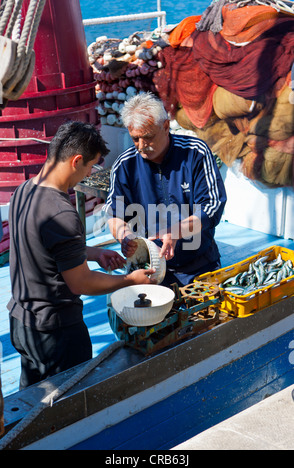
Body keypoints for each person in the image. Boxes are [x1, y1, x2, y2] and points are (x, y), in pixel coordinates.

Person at [7, 120, 155, 389]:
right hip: (55, 333)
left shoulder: (24, 191)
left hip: (22, 322)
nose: (88, 174)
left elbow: (41, 246)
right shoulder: (62, 213)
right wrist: (130, 282)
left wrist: (93, 253)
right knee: (67, 408)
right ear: (76, 161)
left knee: (31, 405)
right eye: (90, 166)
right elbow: (81, 283)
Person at [104, 92, 227, 287]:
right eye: (135, 139)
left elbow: (212, 207)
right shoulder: (124, 165)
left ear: (166, 126)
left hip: (199, 266)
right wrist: (124, 236)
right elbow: (113, 213)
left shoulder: (195, 153)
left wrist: (177, 231)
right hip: (148, 270)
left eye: (148, 137)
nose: (142, 146)